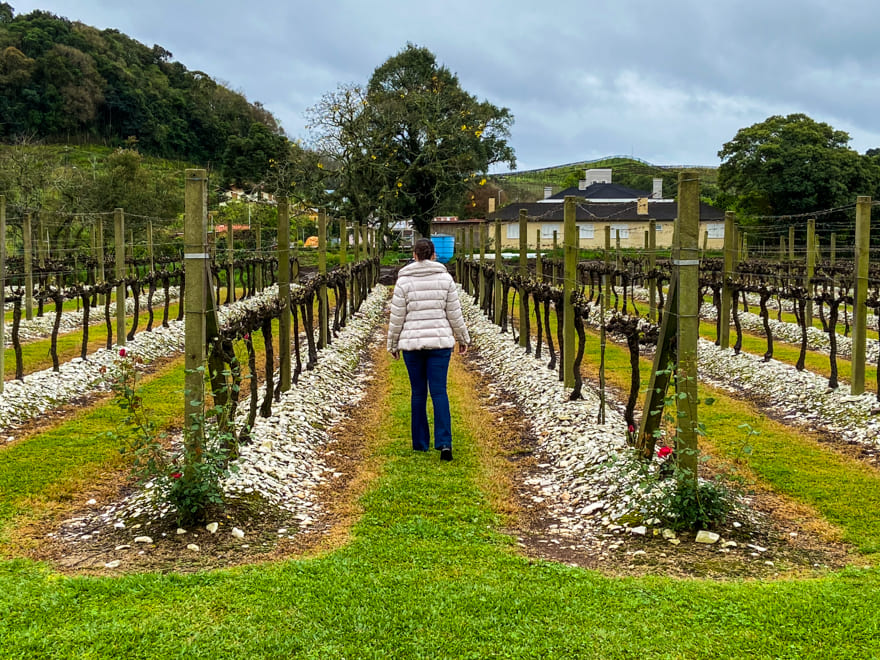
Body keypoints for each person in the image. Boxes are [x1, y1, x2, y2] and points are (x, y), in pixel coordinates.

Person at [387, 238, 470, 461]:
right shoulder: (445, 279)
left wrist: (392, 344)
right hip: (440, 344)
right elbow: (454, 313)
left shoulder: (403, 282)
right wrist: (462, 338)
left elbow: (397, 318)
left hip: (412, 345)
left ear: (414, 255)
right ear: (434, 255)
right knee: (439, 391)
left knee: (418, 393)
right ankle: (444, 443)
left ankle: (420, 443)